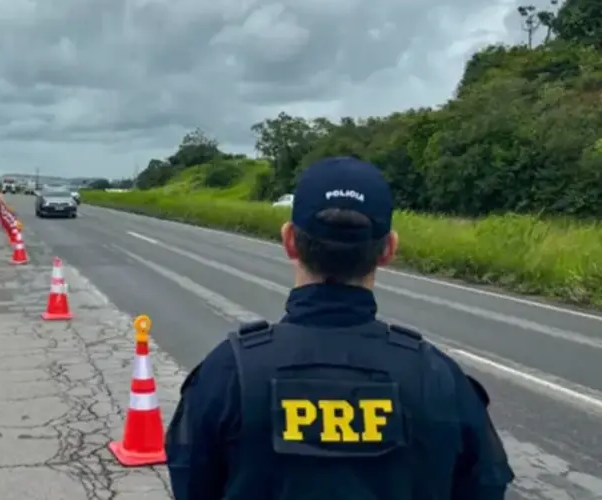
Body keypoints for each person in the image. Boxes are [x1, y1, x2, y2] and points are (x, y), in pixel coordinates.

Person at [165, 156, 514, 500]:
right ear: (388, 249)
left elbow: (191, 482)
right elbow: (485, 484)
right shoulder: (440, 378)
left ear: (289, 241)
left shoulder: (227, 373)